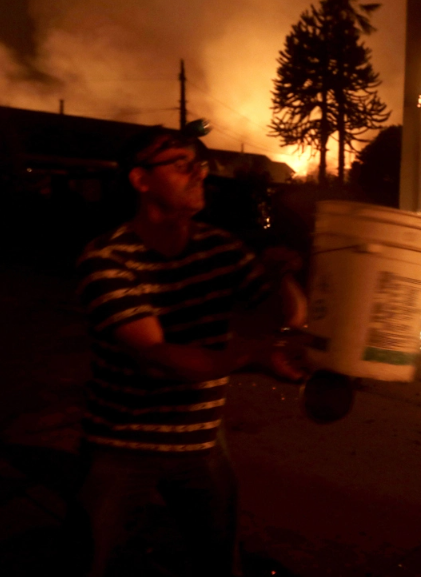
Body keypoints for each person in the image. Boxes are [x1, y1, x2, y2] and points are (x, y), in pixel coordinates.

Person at [74, 125, 306, 576]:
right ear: (141, 180)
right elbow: (158, 357)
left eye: (199, 164)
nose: (199, 172)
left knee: (220, 562)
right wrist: (250, 356)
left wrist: (281, 274)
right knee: (88, 561)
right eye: (182, 165)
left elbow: (287, 317)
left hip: (200, 443)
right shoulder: (107, 259)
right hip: (121, 443)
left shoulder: (220, 248)